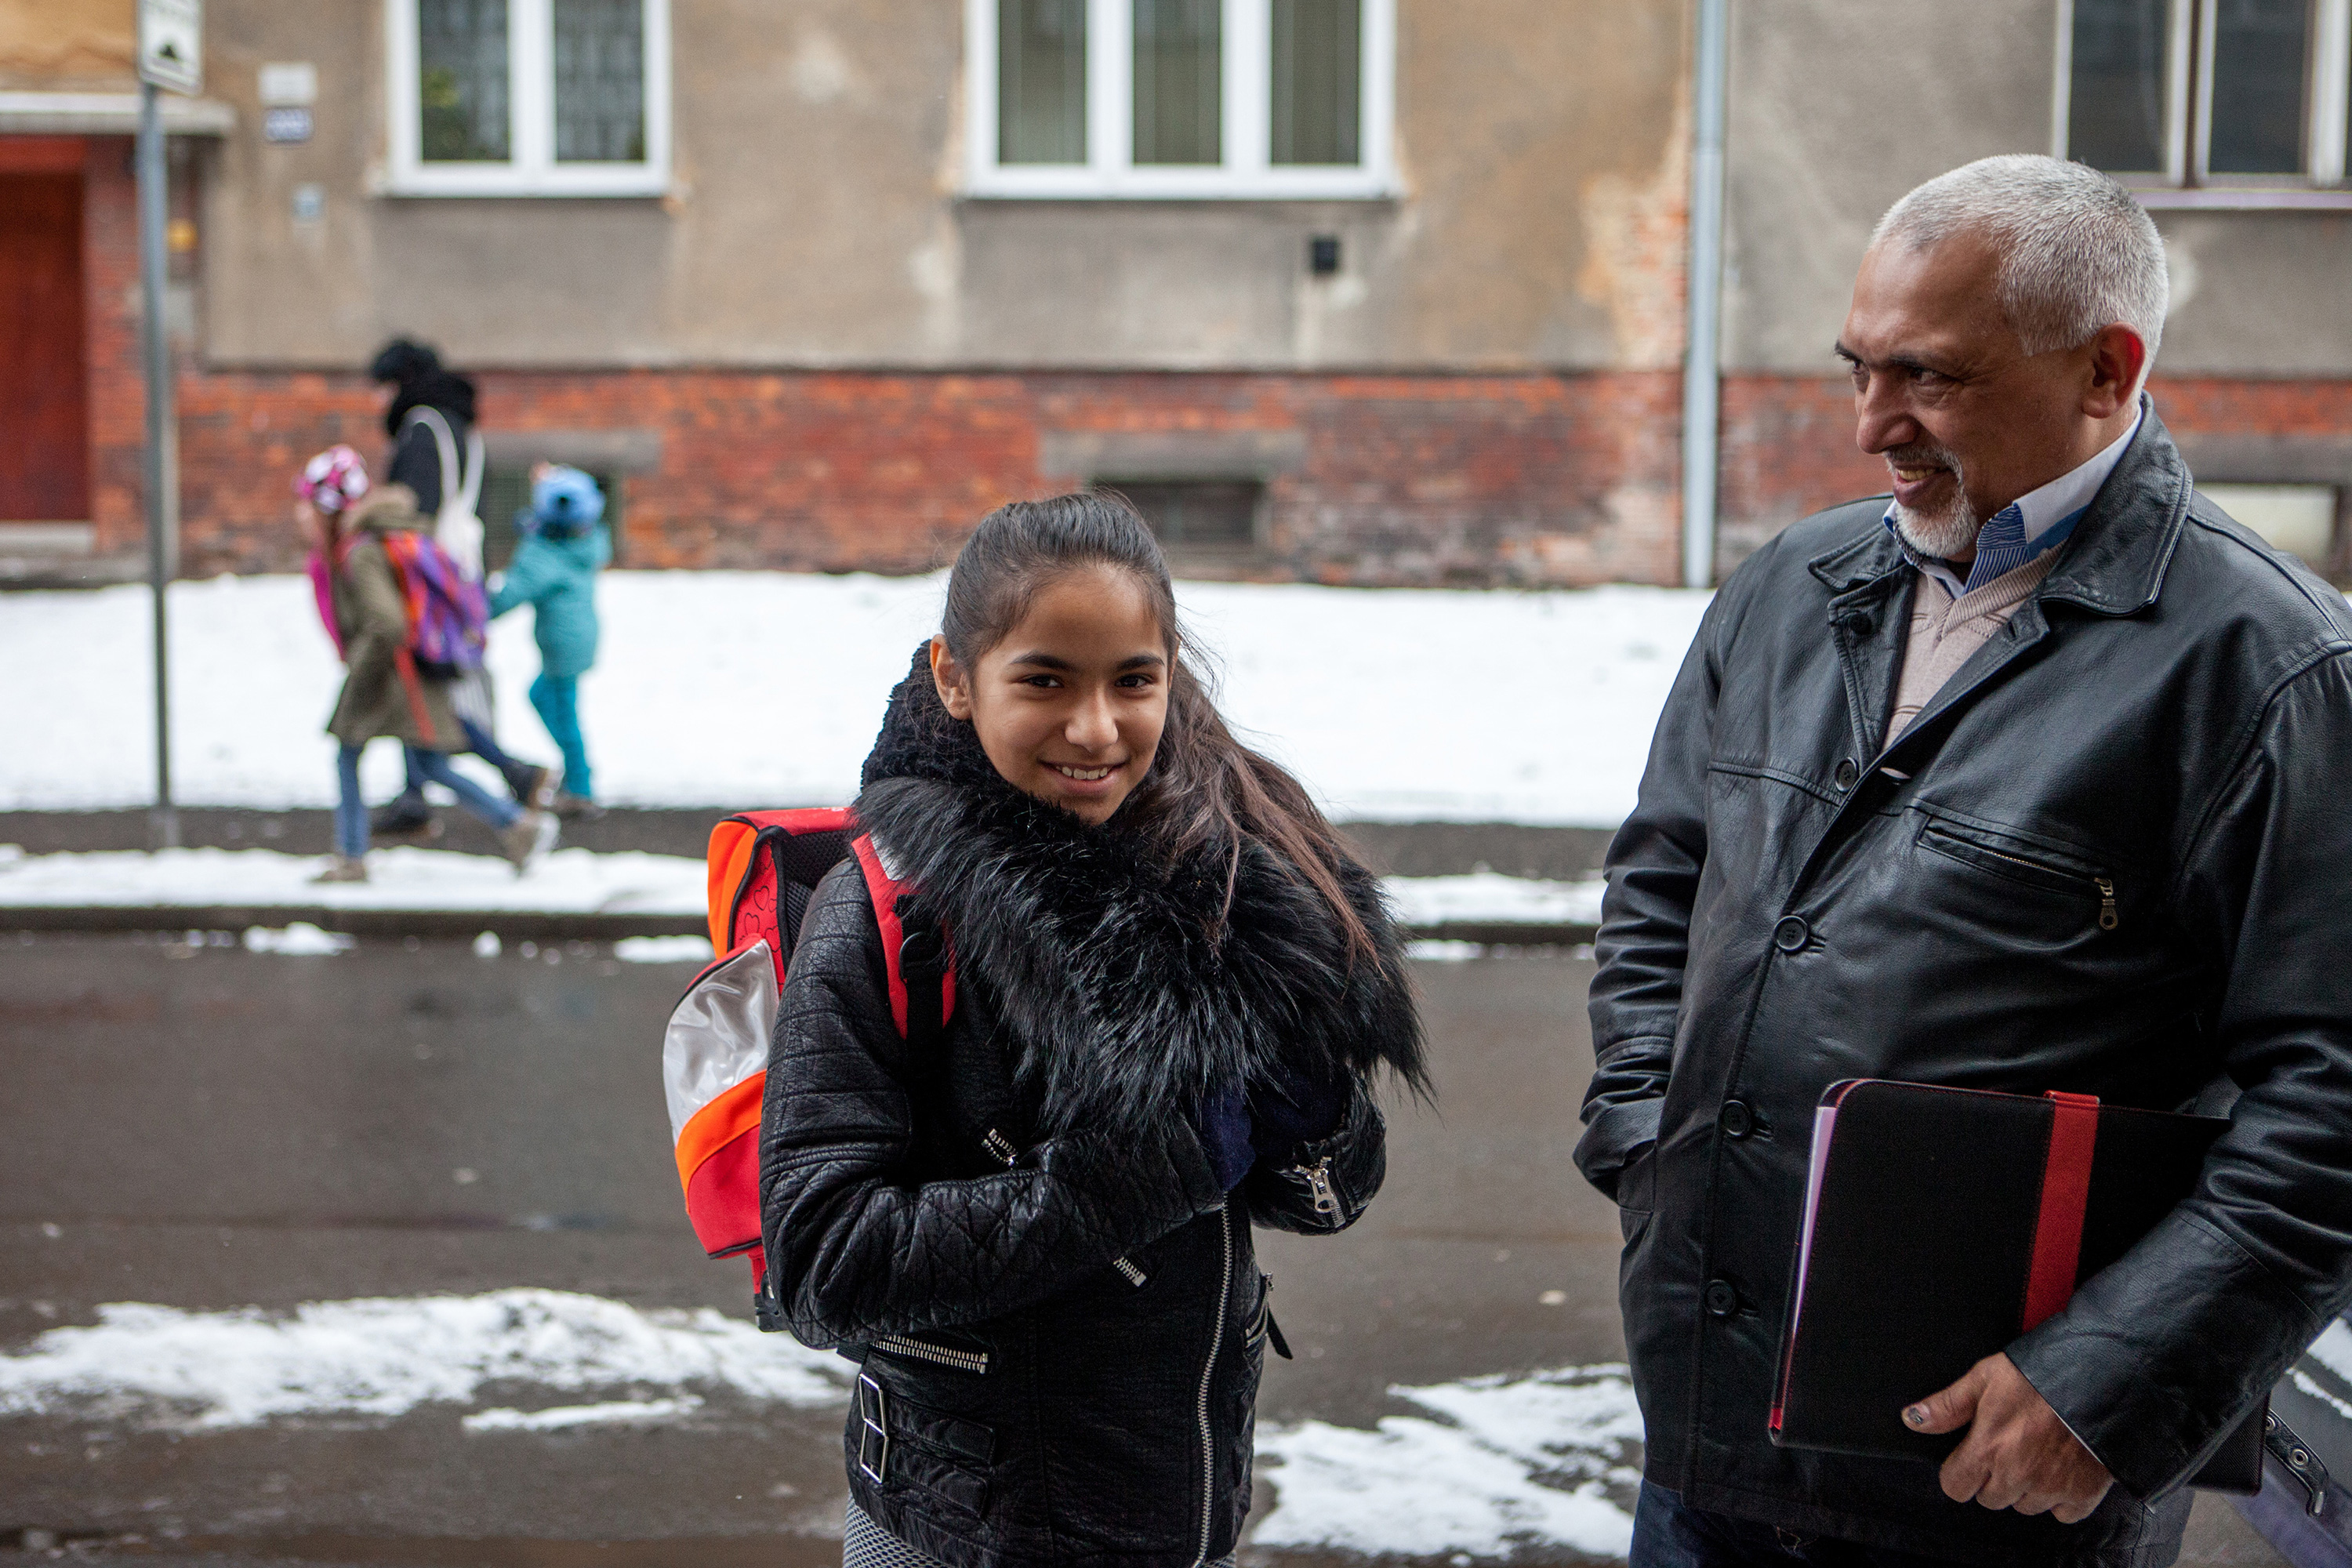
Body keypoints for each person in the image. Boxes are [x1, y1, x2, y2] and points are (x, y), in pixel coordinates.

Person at [1584, 154, 2352, 1568]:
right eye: (1857, 368)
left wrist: (2108, 1383)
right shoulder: (1786, 590)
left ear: (2107, 373)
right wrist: (1645, 1131)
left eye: (1929, 379)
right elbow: (1662, 883)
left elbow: (2334, 1099)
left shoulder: (2272, 669)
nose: (1875, 426)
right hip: (1709, 1433)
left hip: (1998, 1487)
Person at [759, 493, 1428, 1568]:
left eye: (1133, 680)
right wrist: (1140, 1175)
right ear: (954, 677)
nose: (1095, 729)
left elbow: (1332, 1197)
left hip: (1183, 1506)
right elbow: (823, 1262)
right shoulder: (888, 907)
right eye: (1044, 681)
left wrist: (1317, 1124)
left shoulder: (1234, 880)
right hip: (967, 1533)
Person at [295, 446, 559, 882]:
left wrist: (360, 669)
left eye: (308, 505)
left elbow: (387, 623)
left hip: (390, 677)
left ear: (329, 509)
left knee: (351, 755)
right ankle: (515, 826)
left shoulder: (361, 552)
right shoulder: (377, 540)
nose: (301, 516)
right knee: (428, 763)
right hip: (407, 673)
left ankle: (352, 855)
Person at [365, 338, 551, 842]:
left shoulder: (423, 429)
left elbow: (412, 514)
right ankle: (417, 792)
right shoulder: (463, 431)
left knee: (424, 680)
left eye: (382, 387)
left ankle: (512, 775)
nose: (377, 401)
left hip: (427, 579)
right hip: (459, 572)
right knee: (428, 682)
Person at [489, 465, 610, 818]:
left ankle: (581, 786)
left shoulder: (546, 556)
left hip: (562, 644)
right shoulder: (586, 542)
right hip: (578, 638)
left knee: (561, 709)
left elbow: (510, 594)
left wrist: (473, 613)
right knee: (546, 698)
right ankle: (577, 776)